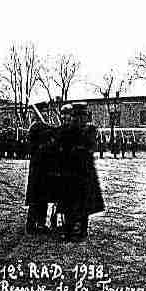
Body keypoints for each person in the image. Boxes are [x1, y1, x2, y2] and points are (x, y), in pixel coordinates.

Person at [58, 102, 105, 241]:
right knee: (69, 202)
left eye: (79, 116)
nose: (75, 119)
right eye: (75, 116)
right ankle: (68, 228)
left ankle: (80, 230)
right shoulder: (68, 130)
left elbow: (87, 148)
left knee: (82, 203)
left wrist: (72, 149)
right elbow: (61, 144)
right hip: (69, 173)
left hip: (83, 173)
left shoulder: (89, 130)